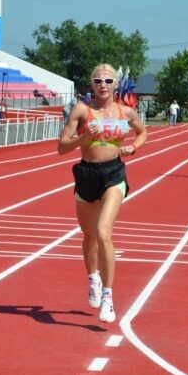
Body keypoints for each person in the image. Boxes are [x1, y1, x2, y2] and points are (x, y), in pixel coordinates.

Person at [57, 63, 148, 323]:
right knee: (89, 236)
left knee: (103, 232)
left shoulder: (125, 111)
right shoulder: (81, 110)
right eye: (98, 81)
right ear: (91, 84)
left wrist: (133, 147)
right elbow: (61, 147)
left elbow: (142, 132)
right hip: (87, 174)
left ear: (116, 84)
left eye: (108, 81)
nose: (103, 85)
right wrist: (83, 138)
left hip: (113, 174)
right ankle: (93, 278)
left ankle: (108, 296)